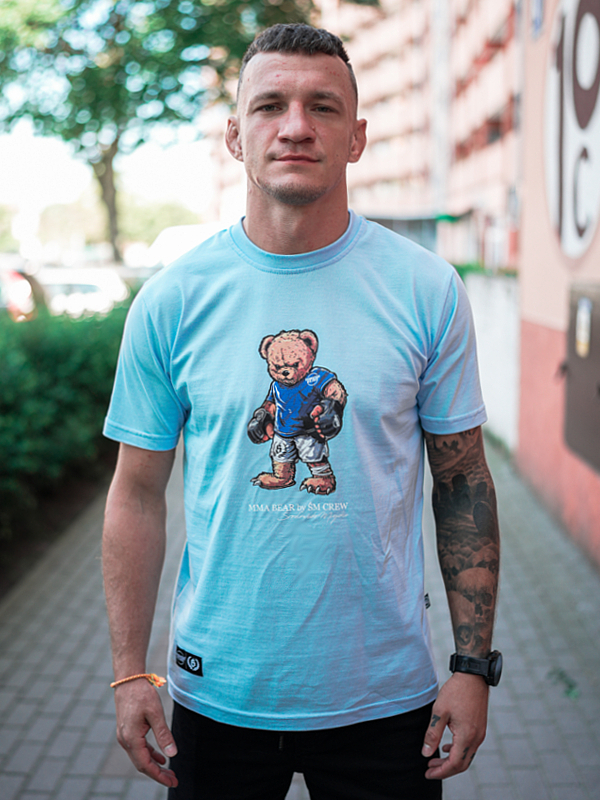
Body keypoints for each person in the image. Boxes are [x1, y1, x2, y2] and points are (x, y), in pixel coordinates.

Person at [102, 23, 500, 800]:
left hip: (387, 697)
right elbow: (136, 494)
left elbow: (463, 485)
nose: (295, 126)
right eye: (269, 106)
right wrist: (128, 673)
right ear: (234, 136)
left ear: (356, 137)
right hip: (215, 692)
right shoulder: (172, 300)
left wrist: (472, 666)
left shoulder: (426, 290)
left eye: (322, 106)